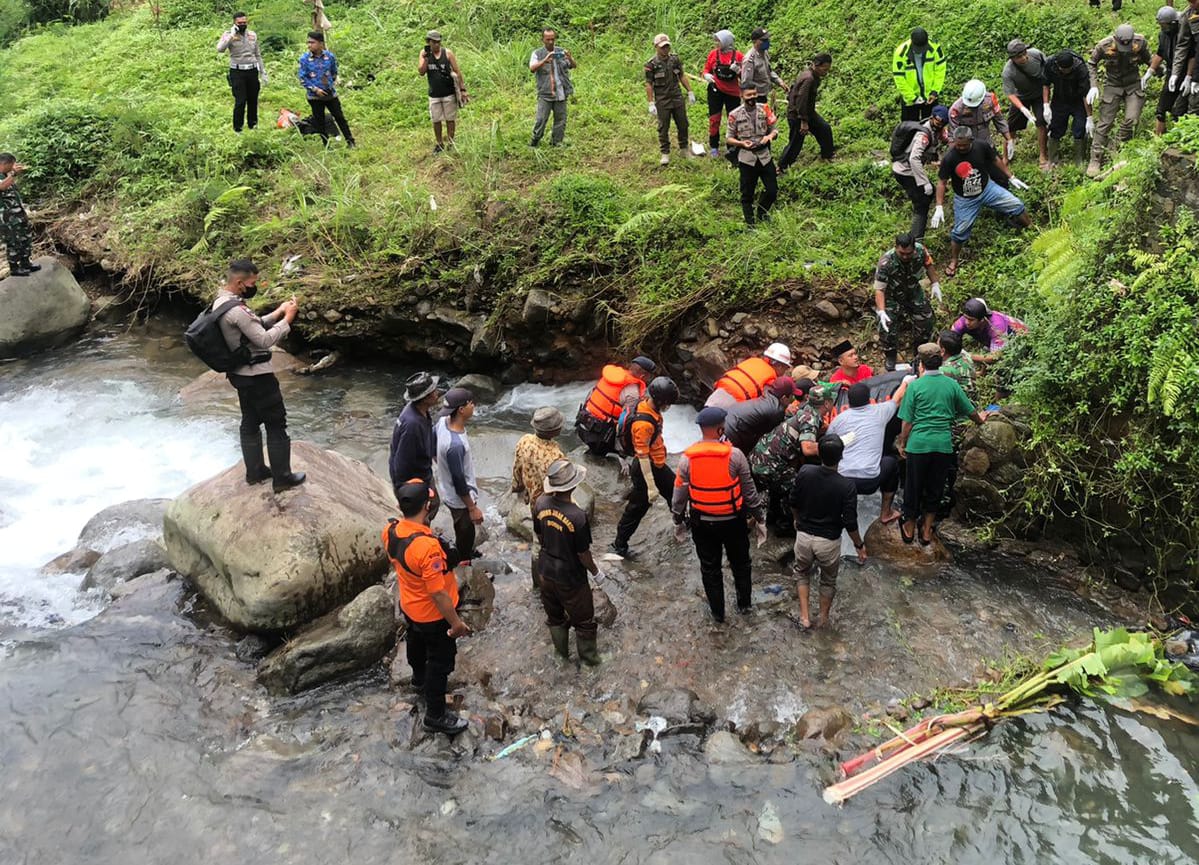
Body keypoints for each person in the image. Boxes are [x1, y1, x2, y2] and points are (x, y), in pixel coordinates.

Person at [384, 479, 472, 736]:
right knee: (441, 661)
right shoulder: (427, 548)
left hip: (410, 606)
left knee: (415, 641)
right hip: (433, 615)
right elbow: (437, 592)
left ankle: (418, 679)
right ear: (427, 506)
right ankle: (435, 714)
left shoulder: (390, 530)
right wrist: (456, 623)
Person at [213, 259, 305, 492]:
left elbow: (251, 328)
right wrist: (288, 319)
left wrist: (277, 312)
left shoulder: (222, 302)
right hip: (258, 376)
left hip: (240, 374)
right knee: (276, 424)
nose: (255, 286)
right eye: (252, 282)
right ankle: (282, 478)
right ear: (240, 282)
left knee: (250, 421)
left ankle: (255, 472)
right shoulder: (236, 309)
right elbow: (264, 339)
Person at [672, 407, 767, 622]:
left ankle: (718, 614)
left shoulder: (687, 459)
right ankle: (745, 606)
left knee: (710, 569)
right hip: (733, 521)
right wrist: (760, 518)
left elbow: (679, 494)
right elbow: (749, 491)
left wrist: (677, 519)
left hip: (702, 523)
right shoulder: (735, 456)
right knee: (741, 565)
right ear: (720, 429)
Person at [896, 350, 989, 546]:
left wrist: (902, 442)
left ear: (922, 365)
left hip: (919, 444)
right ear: (940, 364)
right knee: (935, 486)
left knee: (913, 486)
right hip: (943, 444)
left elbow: (907, 421)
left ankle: (910, 526)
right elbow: (970, 410)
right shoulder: (952, 384)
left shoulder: (915, 386)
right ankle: (927, 529)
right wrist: (981, 419)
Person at [790, 434, 866, 629]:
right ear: (841, 457)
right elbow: (850, 521)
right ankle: (823, 619)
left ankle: (805, 618)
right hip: (828, 542)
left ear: (819, 454)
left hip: (804, 537)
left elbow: (793, 501)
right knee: (828, 581)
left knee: (802, 573)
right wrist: (859, 545)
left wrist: (797, 521)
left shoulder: (805, 471)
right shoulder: (847, 486)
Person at [933, 127, 1032, 277]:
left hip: (987, 189)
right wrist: (939, 206)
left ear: (971, 141)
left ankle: (1032, 229)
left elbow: (995, 160)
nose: (960, 148)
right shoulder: (950, 157)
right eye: (958, 145)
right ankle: (954, 260)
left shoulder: (981, 146)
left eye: (964, 145)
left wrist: (1011, 177)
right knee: (959, 232)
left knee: (1017, 205)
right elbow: (942, 182)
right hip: (965, 199)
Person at [534, 459, 601, 664]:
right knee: (584, 621)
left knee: (554, 616)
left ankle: (561, 656)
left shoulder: (540, 503)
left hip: (545, 571)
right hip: (570, 578)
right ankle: (590, 662)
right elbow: (583, 554)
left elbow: (540, 536)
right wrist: (597, 572)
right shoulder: (577, 516)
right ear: (573, 485)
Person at [826, 379, 914, 525]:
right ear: (869, 399)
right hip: (869, 481)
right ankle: (886, 513)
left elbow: (830, 445)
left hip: (842, 480)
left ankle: (833, 515)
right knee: (891, 462)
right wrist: (905, 382)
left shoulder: (838, 420)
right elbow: (897, 398)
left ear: (849, 401)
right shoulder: (880, 411)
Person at [611, 376, 678, 558]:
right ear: (660, 401)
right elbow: (642, 456)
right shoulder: (643, 424)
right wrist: (650, 487)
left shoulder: (647, 405)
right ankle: (619, 544)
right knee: (637, 508)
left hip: (657, 463)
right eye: (667, 404)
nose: (668, 408)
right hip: (645, 468)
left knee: (675, 491)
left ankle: (681, 522)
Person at [749, 381, 825, 531]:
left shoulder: (803, 410)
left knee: (779, 486)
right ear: (827, 404)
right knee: (797, 488)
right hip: (770, 464)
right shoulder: (811, 418)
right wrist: (832, 447)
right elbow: (808, 448)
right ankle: (786, 525)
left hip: (758, 457)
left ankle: (772, 516)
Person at [512, 406, 567, 589]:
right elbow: (563, 486)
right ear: (554, 431)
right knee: (553, 545)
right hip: (552, 505)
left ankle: (537, 582)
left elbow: (517, 468)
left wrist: (518, 488)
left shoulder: (524, 441)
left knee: (538, 542)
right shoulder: (556, 455)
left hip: (535, 504)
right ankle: (551, 582)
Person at [1087, 24, 1152, 177]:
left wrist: (1154, 71)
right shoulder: (1104, 45)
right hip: (1113, 85)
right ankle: (1095, 159)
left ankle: (1113, 147)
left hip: (1133, 84)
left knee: (1132, 119)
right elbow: (1092, 64)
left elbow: (1149, 59)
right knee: (1105, 122)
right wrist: (1093, 86)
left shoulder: (1140, 42)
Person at [873, 232, 941, 371]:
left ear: (914, 248)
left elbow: (929, 265)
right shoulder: (886, 262)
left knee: (925, 319)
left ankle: (919, 353)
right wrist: (881, 311)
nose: (905, 256)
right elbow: (879, 289)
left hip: (913, 291)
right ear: (896, 247)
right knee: (887, 326)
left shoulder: (921, 251)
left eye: (908, 253)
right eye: (901, 253)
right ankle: (891, 354)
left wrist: (935, 284)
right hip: (892, 296)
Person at [432, 387, 482, 568]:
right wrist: (472, 507)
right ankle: (462, 565)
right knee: (465, 533)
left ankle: (465, 553)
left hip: (447, 489)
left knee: (461, 527)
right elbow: (459, 481)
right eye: (470, 403)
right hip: (459, 499)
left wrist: (441, 464)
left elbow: (432, 445)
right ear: (461, 409)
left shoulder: (442, 422)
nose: (473, 405)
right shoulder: (455, 445)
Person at [891, 104, 950, 242]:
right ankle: (916, 240)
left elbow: (946, 138)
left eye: (942, 122)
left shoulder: (937, 129)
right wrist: (924, 183)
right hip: (905, 172)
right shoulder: (923, 135)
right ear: (932, 117)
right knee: (921, 203)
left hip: (910, 169)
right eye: (937, 120)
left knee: (931, 193)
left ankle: (924, 224)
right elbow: (914, 159)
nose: (939, 124)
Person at [575, 356, 655, 455]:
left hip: (582, 424)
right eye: (649, 376)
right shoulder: (633, 392)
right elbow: (625, 422)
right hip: (598, 438)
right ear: (643, 376)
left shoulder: (613, 376)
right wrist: (622, 449)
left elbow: (590, 396)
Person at [727, 82, 780, 226]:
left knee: (772, 190)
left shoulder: (764, 109)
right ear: (741, 96)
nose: (752, 97)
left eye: (754, 94)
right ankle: (750, 223)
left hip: (764, 156)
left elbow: (774, 129)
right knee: (747, 194)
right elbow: (729, 138)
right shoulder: (734, 115)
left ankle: (762, 213)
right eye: (749, 95)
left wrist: (769, 137)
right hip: (746, 158)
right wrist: (741, 143)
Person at [389, 371, 441, 508]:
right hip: (413, 480)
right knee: (425, 509)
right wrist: (403, 490)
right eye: (434, 391)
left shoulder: (420, 411)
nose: (438, 393)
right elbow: (402, 462)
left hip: (423, 471)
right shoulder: (412, 425)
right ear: (425, 398)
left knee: (433, 503)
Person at [777, 53, 834, 173]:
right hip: (798, 115)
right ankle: (782, 167)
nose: (826, 72)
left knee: (824, 129)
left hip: (808, 112)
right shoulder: (809, 79)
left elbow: (794, 91)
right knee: (796, 142)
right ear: (817, 65)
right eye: (825, 69)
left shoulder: (810, 74)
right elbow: (801, 100)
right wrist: (803, 121)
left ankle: (827, 155)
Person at [297, 30, 355, 147]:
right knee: (320, 121)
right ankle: (326, 144)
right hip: (314, 96)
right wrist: (315, 89)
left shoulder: (329, 56)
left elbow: (334, 72)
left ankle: (350, 141)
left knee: (339, 117)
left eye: (312, 42)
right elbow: (303, 78)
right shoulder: (304, 59)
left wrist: (328, 85)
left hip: (330, 94)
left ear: (321, 43)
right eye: (308, 42)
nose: (309, 45)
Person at [645, 33, 694, 166]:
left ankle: (684, 149)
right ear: (656, 47)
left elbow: (682, 76)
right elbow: (649, 84)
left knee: (683, 124)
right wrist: (651, 102)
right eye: (662, 47)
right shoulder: (651, 64)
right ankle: (665, 152)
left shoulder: (675, 60)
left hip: (677, 97)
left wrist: (690, 91)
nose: (665, 49)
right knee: (663, 126)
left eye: (667, 46)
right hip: (662, 99)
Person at [949, 79, 1015, 176]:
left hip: (987, 145)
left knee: (1000, 177)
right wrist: (955, 160)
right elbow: (952, 137)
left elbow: (1000, 121)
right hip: (967, 149)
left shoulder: (990, 100)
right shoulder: (956, 110)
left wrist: (1009, 140)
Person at [1002, 40, 1051, 169]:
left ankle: (1043, 155)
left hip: (1039, 94)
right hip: (1021, 97)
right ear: (1012, 59)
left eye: (1024, 54)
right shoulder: (1008, 71)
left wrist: (1046, 103)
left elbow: (1047, 76)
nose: (1023, 58)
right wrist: (1022, 108)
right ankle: (1005, 158)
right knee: (1011, 127)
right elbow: (1010, 94)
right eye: (1019, 57)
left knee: (1041, 122)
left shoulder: (1036, 54)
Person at [419, 30, 468, 155]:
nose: (436, 45)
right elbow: (421, 71)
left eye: (438, 42)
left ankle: (451, 142)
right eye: (434, 42)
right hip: (434, 94)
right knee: (436, 120)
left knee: (450, 119)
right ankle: (439, 143)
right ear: (428, 42)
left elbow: (457, 72)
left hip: (448, 92)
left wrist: (462, 90)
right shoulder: (424, 54)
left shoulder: (448, 53)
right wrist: (425, 59)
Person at [217, 12, 267, 133]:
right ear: (234, 22)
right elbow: (220, 49)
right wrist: (232, 34)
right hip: (237, 71)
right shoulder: (228, 34)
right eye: (240, 23)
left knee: (253, 100)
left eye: (244, 22)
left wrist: (263, 72)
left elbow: (257, 54)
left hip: (252, 71)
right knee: (240, 101)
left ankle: (253, 126)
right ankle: (238, 129)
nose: (243, 24)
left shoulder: (252, 35)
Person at [1044, 49, 1094, 166]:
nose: (1066, 72)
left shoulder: (1081, 68)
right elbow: (1046, 84)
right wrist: (1046, 104)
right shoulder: (1050, 64)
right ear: (1058, 65)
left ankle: (1079, 160)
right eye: (1063, 69)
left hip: (1078, 101)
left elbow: (1085, 94)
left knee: (1080, 128)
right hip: (1059, 99)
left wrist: (1089, 117)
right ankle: (1052, 160)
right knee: (1055, 127)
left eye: (1069, 69)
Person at [707, 342, 793, 408]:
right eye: (785, 368)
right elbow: (769, 403)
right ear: (780, 366)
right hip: (733, 403)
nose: (784, 372)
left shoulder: (753, 361)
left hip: (715, 395)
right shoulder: (771, 378)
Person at [723, 376, 796, 454]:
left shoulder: (767, 394)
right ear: (784, 398)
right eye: (792, 396)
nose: (792, 400)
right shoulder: (777, 410)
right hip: (733, 432)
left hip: (728, 420)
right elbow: (769, 437)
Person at [529, 28, 576, 147]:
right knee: (541, 119)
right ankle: (535, 140)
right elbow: (532, 68)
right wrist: (545, 59)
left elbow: (573, 66)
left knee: (561, 119)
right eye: (548, 39)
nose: (550, 42)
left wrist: (569, 57)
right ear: (543, 40)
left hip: (561, 92)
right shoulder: (537, 53)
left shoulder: (561, 51)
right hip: (545, 93)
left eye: (552, 39)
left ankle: (556, 142)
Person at [951, 297, 1028, 364]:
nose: (967, 322)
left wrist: (967, 356)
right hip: (995, 340)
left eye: (971, 320)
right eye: (965, 317)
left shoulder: (997, 326)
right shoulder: (963, 322)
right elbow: (948, 339)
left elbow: (995, 357)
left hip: (1022, 340)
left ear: (982, 320)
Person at [703, 30, 743, 157]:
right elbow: (706, 69)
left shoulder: (739, 56)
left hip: (733, 93)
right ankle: (714, 145)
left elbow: (745, 76)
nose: (716, 43)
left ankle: (732, 147)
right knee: (714, 119)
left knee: (733, 120)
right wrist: (706, 75)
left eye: (719, 41)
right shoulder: (713, 54)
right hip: (716, 90)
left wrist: (739, 70)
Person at [893, 27, 946, 122]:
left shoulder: (935, 48)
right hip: (910, 100)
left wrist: (935, 91)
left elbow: (940, 70)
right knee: (909, 127)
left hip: (930, 97)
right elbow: (899, 78)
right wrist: (913, 98)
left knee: (929, 125)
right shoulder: (901, 53)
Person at [0, 153, 36, 277]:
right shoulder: (4, 177)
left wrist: (23, 211)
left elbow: (14, 195)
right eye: (11, 165)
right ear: (4, 164)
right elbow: (2, 187)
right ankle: (14, 268)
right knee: (13, 241)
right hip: (5, 216)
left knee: (26, 237)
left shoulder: (7, 176)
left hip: (18, 213)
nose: (13, 167)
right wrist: (13, 174)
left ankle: (26, 263)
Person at [1149, 6, 1183, 136]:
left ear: (1173, 23)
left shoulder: (1183, 32)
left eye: (1165, 25)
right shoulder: (1163, 34)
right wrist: (1150, 71)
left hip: (1185, 72)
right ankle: (1158, 139)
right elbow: (1160, 53)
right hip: (1171, 72)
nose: (1163, 28)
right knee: (1161, 109)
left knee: (1179, 110)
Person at [1168, 0, 1199, 126]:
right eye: (1189, 2)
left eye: (1194, 1)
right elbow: (1183, 45)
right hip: (1197, 62)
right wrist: (1175, 73)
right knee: (1194, 99)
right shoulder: (1188, 15)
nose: (1192, 5)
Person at [740, 27, 786, 103]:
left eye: (767, 39)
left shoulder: (764, 53)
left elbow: (769, 70)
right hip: (755, 96)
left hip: (764, 94)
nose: (767, 42)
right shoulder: (749, 59)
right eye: (763, 40)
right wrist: (749, 100)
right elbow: (746, 82)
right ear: (755, 41)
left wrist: (779, 82)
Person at [938, 329, 976, 399]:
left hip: (960, 406)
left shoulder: (945, 370)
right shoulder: (966, 356)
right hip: (972, 401)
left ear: (942, 351)